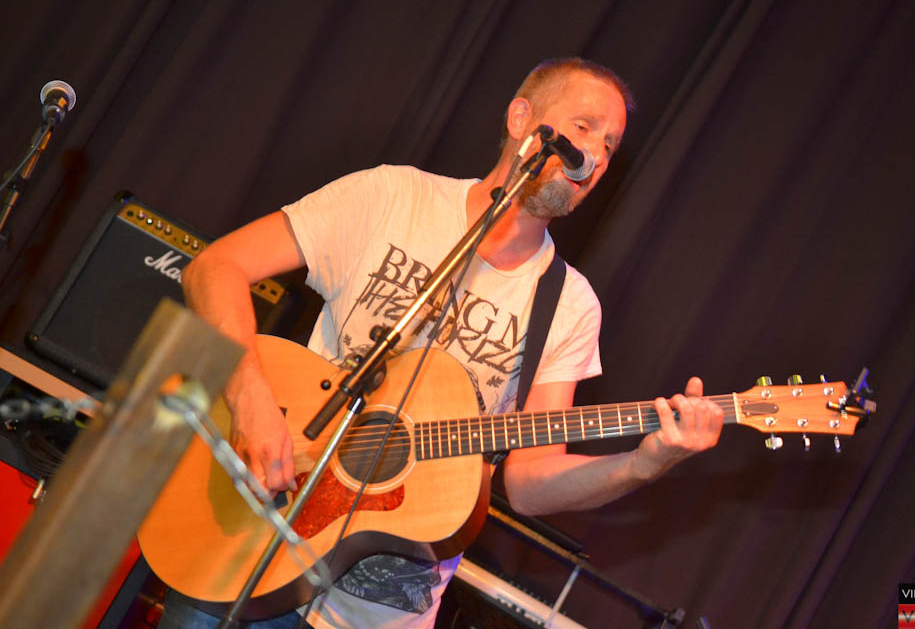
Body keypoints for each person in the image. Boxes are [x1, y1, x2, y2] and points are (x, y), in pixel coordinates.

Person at [165, 58, 724, 628]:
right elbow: (215, 268)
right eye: (584, 128)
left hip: (373, 617)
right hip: (249, 543)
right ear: (521, 119)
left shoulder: (570, 305)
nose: (596, 156)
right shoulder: (393, 197)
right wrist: (251, 400)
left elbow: (528, 484)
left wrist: (642, 465)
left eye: (609, 146)